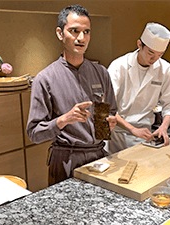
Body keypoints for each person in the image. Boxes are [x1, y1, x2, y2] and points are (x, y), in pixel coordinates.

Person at [26, 5, 117, 185]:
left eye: (86, 32)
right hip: (66, 159)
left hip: (99, 158)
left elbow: (110, 113)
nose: (81, 38)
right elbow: (34, 133)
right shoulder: (45, 79)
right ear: (60, 33)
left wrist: (109, 123)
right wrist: (64, 119)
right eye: (74, 31)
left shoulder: (101, 73)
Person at [107, 22, 170, 153]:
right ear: (139, 45)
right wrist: (132, 129)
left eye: (160, 55)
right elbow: (107, 106)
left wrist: (164, 127)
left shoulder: (166, 70)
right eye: (151, 53)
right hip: (116, 135)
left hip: (145, 135)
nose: (154, 59)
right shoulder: (119, 66)